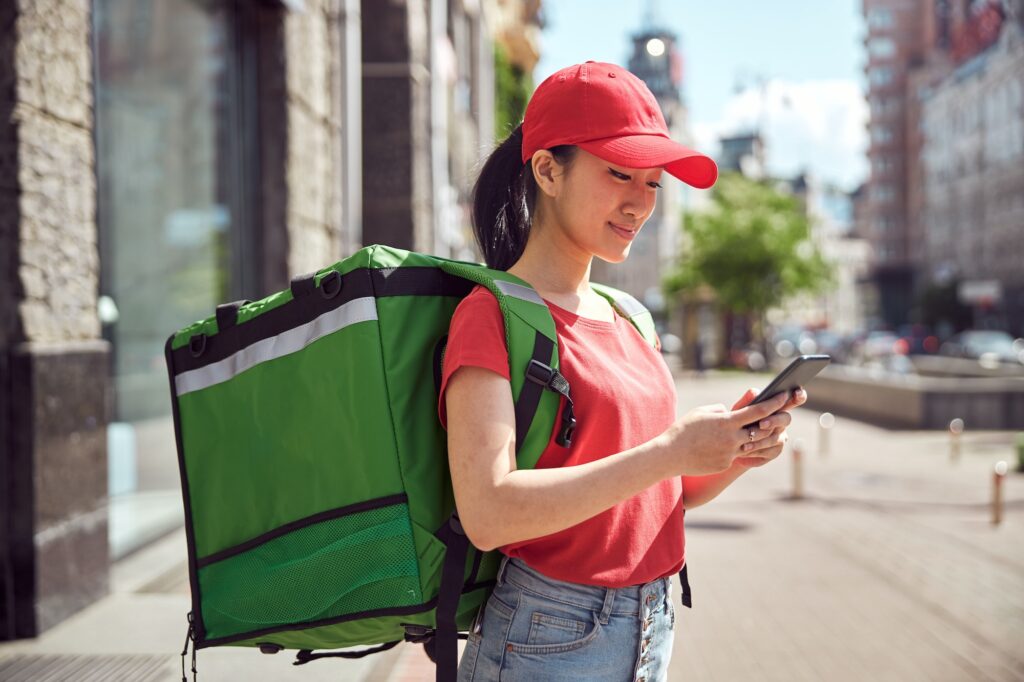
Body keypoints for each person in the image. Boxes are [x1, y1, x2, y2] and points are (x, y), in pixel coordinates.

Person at [438, 61, 807, 682]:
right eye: (618, 174)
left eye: (654, 182)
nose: (642, 203)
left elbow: (659, 497)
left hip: (652, 624)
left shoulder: (631, 317)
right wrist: (670, 451)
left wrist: (733, 451)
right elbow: (490, 512)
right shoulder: (490, 314)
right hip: (547, 635)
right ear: (548, 170)